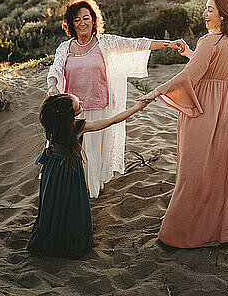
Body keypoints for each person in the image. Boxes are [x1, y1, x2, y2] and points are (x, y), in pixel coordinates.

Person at [138, 0, 228, 248]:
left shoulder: (209, 42)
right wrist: (191, 53)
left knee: (193, 169)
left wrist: (155, 92)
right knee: (218, 168)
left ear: (223, 16)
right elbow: (211, 67)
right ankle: (217, 232)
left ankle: (178, 235)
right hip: (227, 108)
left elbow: (189, 77)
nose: (205, 13)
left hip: (203, 109)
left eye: (210, 9)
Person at [47, 0, 180, 198]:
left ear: (94, 20)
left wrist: (167, 44)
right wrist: (52, 86)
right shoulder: (65, 48)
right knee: (74, 150)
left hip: (100, 105)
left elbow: (135, 44)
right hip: (73, 110)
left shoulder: (105, 42)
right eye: (77, 20)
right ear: (71, 24)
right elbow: (56, 69)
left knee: (93, 152)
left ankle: (89, 192)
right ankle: (73, 189)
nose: (82, 23)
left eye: (86, 18)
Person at [27, 93, 149, 258]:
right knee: (71, 203)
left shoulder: (53, 125)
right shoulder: (77, 127)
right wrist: (136, 108)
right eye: (78, 104)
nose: (82, 102)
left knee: (54, 202)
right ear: (69, 114)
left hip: (53, 171)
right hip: (69, 172)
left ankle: (51, 237)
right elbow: (112, 120)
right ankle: (67, 243)